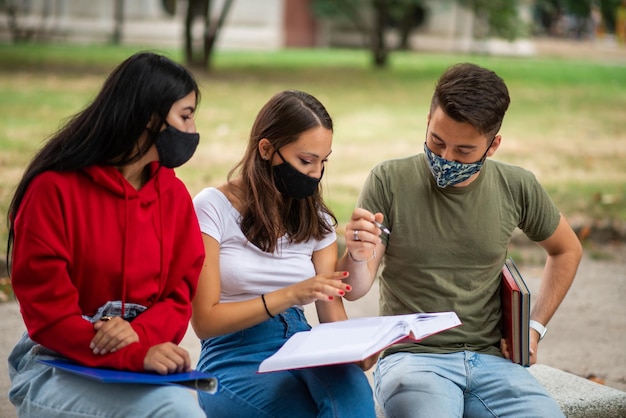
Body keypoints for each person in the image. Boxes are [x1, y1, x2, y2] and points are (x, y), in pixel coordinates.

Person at [338, 63, 583, 418]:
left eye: (464, 151)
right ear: (427, 121)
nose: (446, 158)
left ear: (493, 144)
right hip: (413, 359)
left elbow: (566, 249)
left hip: (493, 362)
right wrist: (358, 255)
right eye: (437, 141)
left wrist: (534, 327)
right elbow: (357, 288)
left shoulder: (516, 186)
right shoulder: (388, 180)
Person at [6, 52, 207, 418]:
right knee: (175, 412)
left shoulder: (173, 197)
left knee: (177, 407)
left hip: (134, 368)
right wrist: (133, 353)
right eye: (186, 116)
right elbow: (49, 316)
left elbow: (180, 296)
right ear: (149, 117)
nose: (192, 131)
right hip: (55, 363)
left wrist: (139, 343)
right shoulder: (53, 190)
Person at [191, 90, 376, 418]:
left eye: (323, 161)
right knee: (294, 411)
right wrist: (290, 293)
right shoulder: (211, 207)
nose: (316, 173)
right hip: (233, 352)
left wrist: (356, 350)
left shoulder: (315, 218)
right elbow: (205, 321)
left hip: (303, 344)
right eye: (306, 160)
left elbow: (332, 312)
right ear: (266, 149)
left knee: (353, 397)